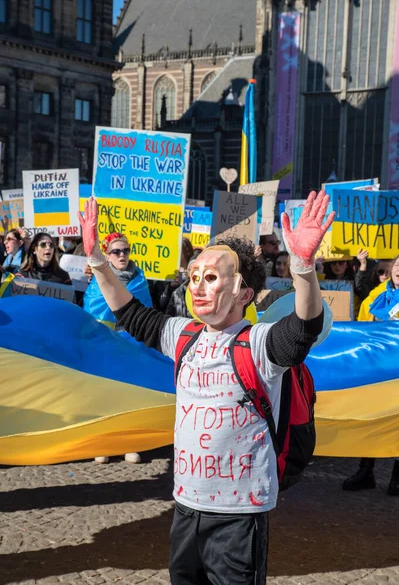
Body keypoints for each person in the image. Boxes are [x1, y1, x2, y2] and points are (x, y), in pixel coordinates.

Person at [78, 190, 333, 585]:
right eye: (194, 275)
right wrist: (97, 260)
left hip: (240, 515)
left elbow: (304, 328)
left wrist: (302, 265)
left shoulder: (260, 343)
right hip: (185, 507)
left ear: (243, 293)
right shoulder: (182, 334)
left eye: (211, 278)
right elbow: (128, 313)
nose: (197, 285)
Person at [84, 232, 152, 465]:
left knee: (130, 393)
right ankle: (103, 443)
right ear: (107, 255)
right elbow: (92, 312)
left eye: (125, 250)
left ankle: (128, 444)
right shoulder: (97, 281)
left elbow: (147, 313)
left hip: (132, 342)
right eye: (116, 251)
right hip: (106, 342)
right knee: (104, 392)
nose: (122, 255)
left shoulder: (139, 279)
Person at [343, 255, 399, 496]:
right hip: (377, 369)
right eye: (398, 266)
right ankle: (365, 471)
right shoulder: (376, 294)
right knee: (373, 418)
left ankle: (397, 477)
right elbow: (362, 329)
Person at [150, 237, 194, 311]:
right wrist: (170, 287)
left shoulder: (196, 270)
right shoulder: (167, 273)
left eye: (177, 248)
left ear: (187, 251)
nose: (173, 252)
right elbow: (162, 304)